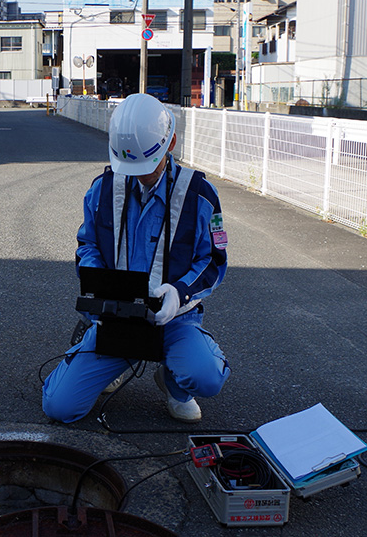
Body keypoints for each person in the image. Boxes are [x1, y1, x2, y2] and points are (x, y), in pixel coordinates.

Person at [42, 93, 230, 424]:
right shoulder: (102, 189)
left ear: (170, 142)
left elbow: (214, 260)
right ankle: (114, 355)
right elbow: (87, 244)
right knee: (59, 408)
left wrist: (180, 293)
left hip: (176, 319)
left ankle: (175, 383)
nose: (141, 175)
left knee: (205, 376)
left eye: (149, 165)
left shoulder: (201, 194)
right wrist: (97, 284)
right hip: (116, 318)